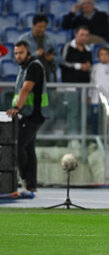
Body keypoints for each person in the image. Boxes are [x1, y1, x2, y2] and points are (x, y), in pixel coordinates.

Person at [6, 41, 49, 193]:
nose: (18, 56)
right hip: (28, 113)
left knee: (19, 147)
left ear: (28, 53)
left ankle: (24, 178)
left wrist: (17, 108)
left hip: (34, 114)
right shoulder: (24, 68)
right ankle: (31, 184)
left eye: (21, 53)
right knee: (29, 148)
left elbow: (26, 89)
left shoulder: (34, 67)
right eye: (16, 53)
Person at [60, 25, 92, 134]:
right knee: (72, 112)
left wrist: (88, 66)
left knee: (83, 113)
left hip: (84, 88)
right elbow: (62, 62)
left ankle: (81, 137)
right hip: (70, 86)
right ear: (76, 35)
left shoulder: (88, 50)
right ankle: (72, 138)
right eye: (82, 35)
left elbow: (89, 67)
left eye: (86, 35)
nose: (84, 37)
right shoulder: (68, 46)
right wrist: (79, 66)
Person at [19, 14, 58, 82]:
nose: (42, 29)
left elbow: (60, 58)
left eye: (44, 27)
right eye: (39, 27)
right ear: (33, 25)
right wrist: (35, 54)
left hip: (47, 77)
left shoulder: (51, 40)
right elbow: (19, 58)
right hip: (29, 76)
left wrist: (52, 58)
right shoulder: (24, 39)